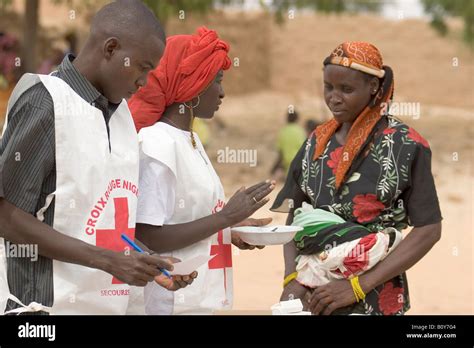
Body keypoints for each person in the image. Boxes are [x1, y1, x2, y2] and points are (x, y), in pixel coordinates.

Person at [0, 0, 194, 315]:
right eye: (142, 67)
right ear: (111, 48)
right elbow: (6, 216)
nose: (144, 82)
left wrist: (145, 261)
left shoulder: (121, 117)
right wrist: (108, 260)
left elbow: (97, 218)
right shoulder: (45, 103)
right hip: (41, 311)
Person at [271, 42, 442, 315]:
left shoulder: (407, 145)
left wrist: (357, 286)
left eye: (346, 89)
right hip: (312, 297)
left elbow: (429, 230)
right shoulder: (315, 142)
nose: (334, 98)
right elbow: (295, 217)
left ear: (373, 87)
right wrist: (293, 278)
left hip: (376, 296)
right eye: (328, 87)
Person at [128, 27, 275, 314]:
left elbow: (187, 217)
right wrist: (226, 217)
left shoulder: (188, 140)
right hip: (166, 303)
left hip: (193, 298)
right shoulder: (157, 142)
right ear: (193, 84)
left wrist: (231, 230)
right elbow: (148, 234)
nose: (222, 92)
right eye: (216, 80)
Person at [271, 109, 306, 177]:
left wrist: (275, 166)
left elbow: (280, 152)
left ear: (287, 119)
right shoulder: (300, 131)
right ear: (297, 119)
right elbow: (304, 148)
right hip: (299, 163)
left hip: (287, 164)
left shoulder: (283, 131)